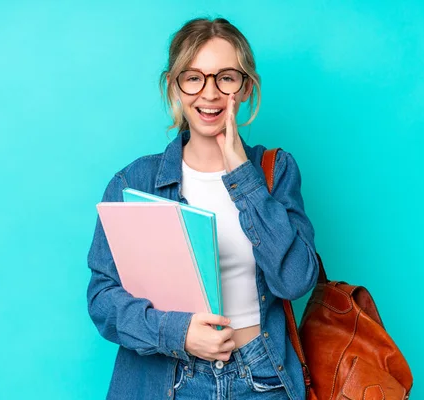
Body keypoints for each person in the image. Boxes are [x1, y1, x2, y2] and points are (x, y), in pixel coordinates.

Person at [87, 17, 319, 400]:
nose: (209, 93)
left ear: (246, 88)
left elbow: (294, 281)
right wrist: (178, 333)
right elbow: (102, 298)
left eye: (225, 77)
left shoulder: (275, 172)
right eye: (193, 77)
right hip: (171, 379)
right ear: (174, 87)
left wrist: (243, 177)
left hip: (262, 377)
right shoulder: (133, 183)